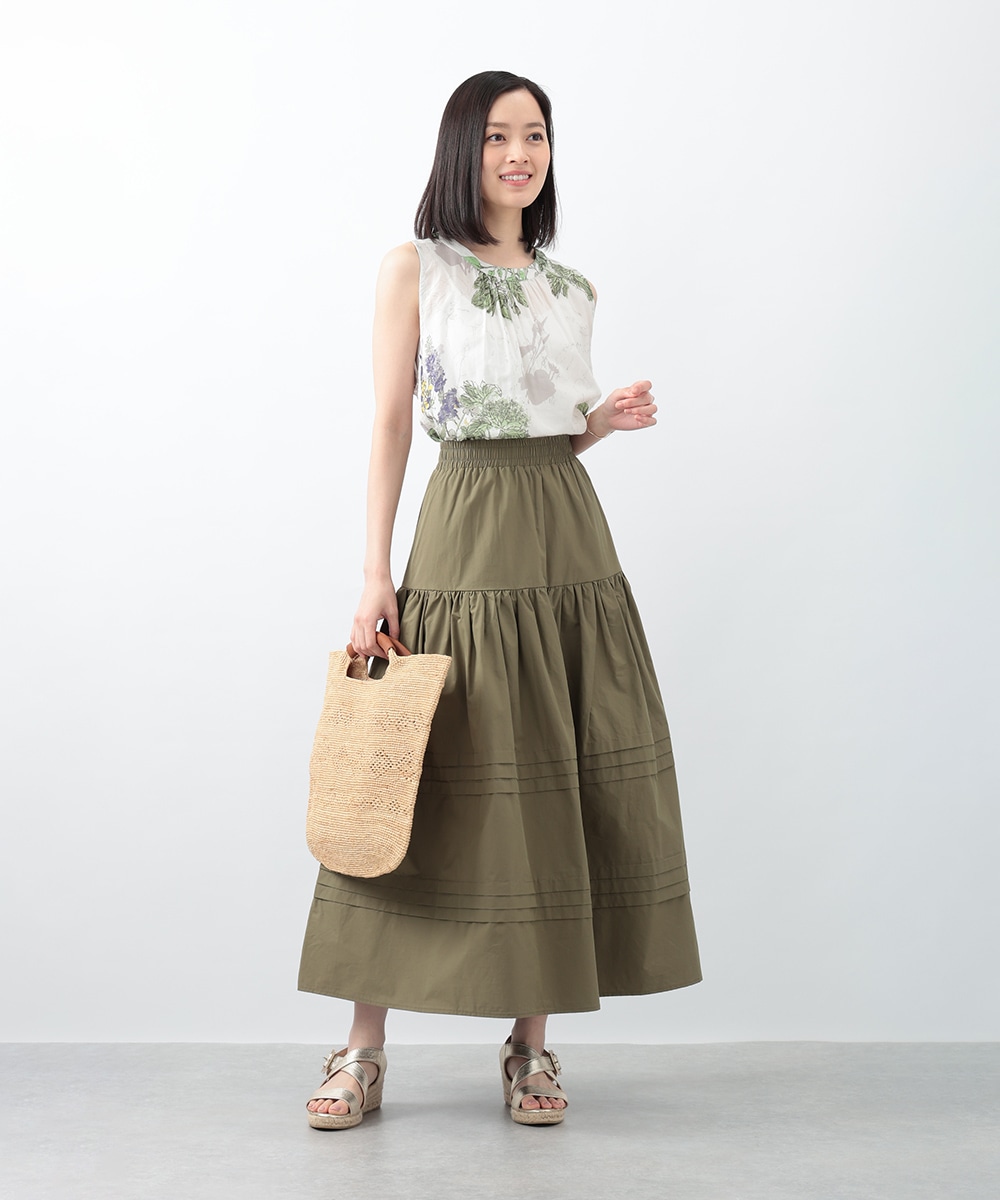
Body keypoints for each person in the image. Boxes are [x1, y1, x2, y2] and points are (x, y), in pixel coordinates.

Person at [300, 70, 701, 1129]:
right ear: (461, 149)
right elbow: (395, 422)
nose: (518, 154)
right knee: (417, 777)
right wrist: (375, 571)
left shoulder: (572, 287)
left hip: (565, 535)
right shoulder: (416, 266)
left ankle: (530, 1047)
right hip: (464, 528)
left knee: (551, 773)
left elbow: (545, 431)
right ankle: (361, 1048)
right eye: (496, 137)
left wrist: (600, 423)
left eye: (534, 136)